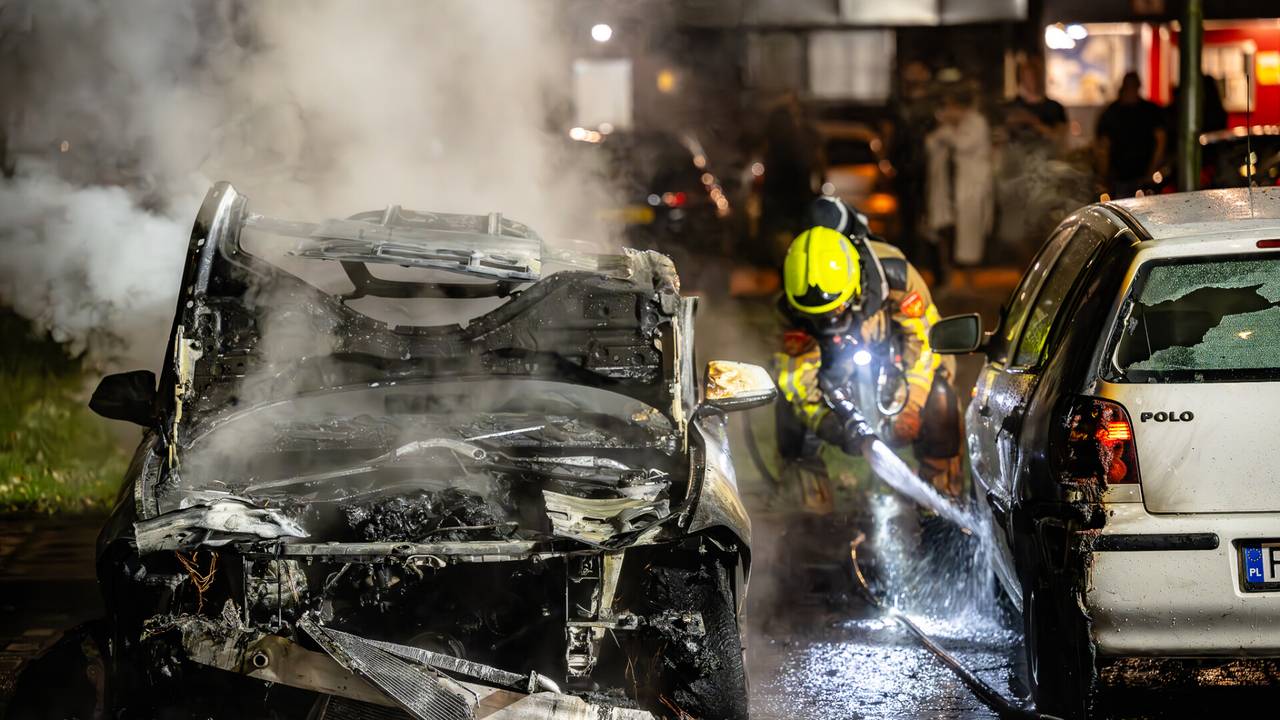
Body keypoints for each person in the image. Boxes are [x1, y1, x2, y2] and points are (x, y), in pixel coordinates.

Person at [772, 197, 963, 508]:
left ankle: (942, 506)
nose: (830, 322)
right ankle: (809, 516)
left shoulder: (897, 275)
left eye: (837, 311)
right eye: (819, 318)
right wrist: (831, 425)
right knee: (790, 416)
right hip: (832, 372)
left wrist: (912, 405)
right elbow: (796, 378)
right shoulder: (790, 305)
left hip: (900, 359)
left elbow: (923, 340)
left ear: (856, 285)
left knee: (941, 402)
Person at [925, 82, 994, 283]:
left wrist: (947, 132)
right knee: (952, 232)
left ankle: (969, 280)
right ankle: (955, 278)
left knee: (969, 235)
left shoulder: (976, 122)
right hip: (953, 190)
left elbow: (962, 144)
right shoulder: (956, 126)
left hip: (972, 187)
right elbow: (931, 145)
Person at [1096, 71, 1166, 198]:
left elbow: (1103, 148)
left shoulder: (1111, 112)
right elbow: (1103, 147)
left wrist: (1103, 175)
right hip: (1123, 177)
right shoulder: (1149, 110)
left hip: (1137, 176)